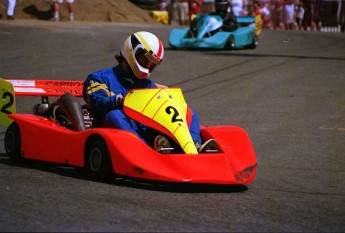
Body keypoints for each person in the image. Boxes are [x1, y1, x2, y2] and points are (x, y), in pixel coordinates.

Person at [83, 31, 218, 154]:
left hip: (142, 125)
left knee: (190, 112)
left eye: (151, 64)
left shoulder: (147, 85)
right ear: (132, 50)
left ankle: (193, 145)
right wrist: (119, 100)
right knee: (115, 114)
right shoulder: (99, 78)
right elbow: (97, 102)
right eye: (145, 60)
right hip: (109, 124)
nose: (147, 66)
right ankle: (145, 148)